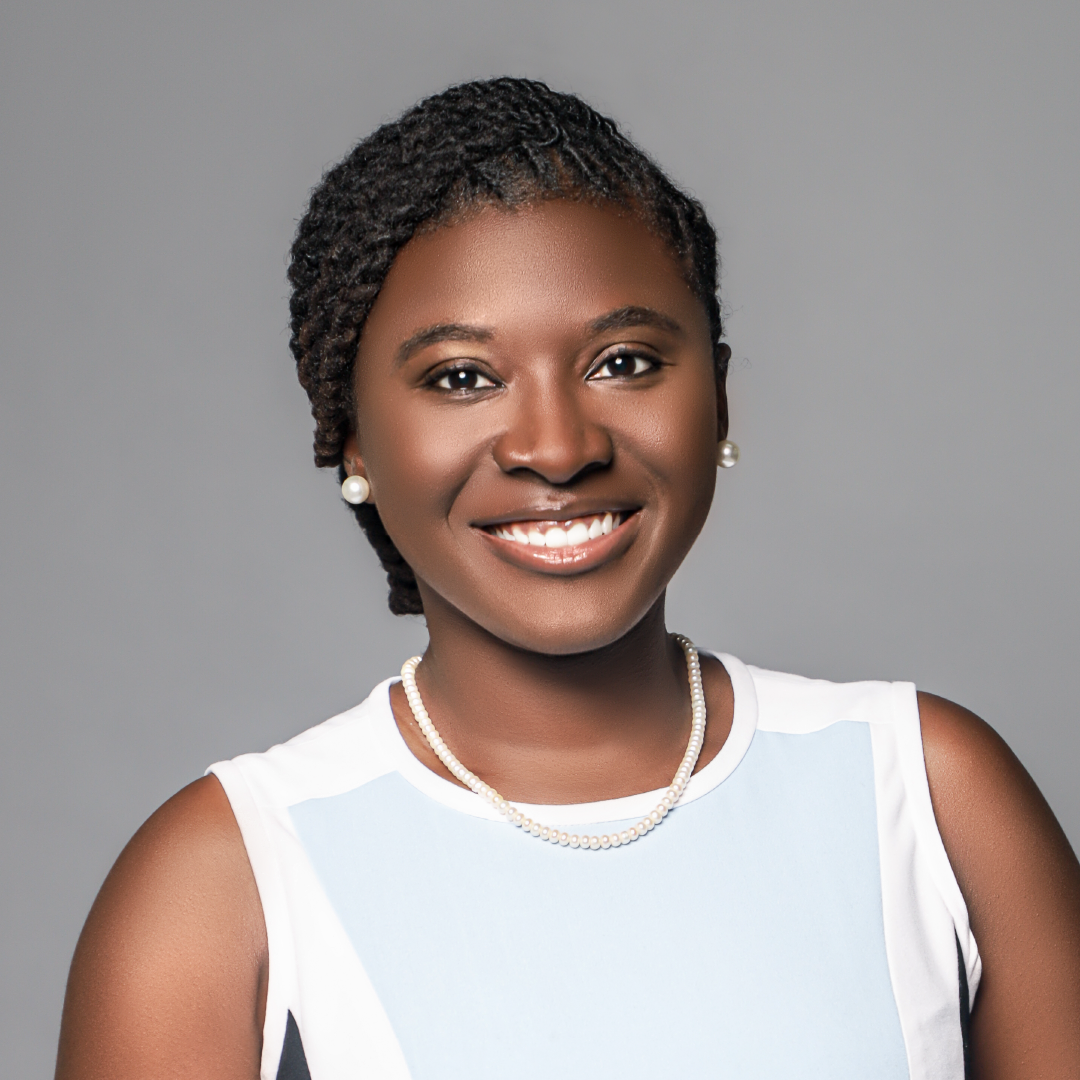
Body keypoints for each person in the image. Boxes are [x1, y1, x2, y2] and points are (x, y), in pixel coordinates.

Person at [55, 78, 1080, 1080]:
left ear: (720, 397)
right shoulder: (224, 880)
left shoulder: (931, 793)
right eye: (463, 378)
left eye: (623, 362)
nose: (557, 447)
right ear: (352, 439)